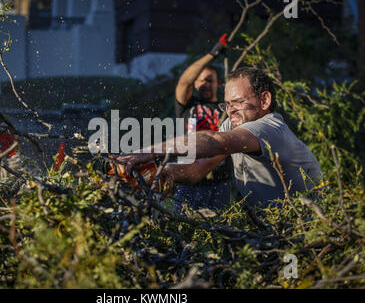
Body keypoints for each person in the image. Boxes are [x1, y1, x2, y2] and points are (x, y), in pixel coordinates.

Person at [114, 67, 323, 208]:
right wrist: (164, 173)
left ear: (264, 100)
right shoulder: (235, 124)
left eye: (238, 102)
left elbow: (214, 141)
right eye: (227, 104)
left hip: (307, 228)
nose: (231, 111)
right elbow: (197, 170)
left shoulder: (269, 128)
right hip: (273, 230)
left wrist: (144, 152)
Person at [173, 33, 232, 210]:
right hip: (188, 180)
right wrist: (212, 54)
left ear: (219, 84)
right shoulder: (187, 105)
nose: (205, 84)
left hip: (219, 184)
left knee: (219, 232)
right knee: (181, 228)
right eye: (201, 80)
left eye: (210, 80)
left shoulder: (227, 109)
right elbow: (184, 81)